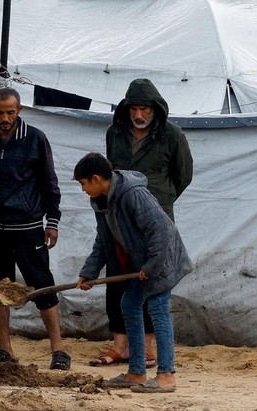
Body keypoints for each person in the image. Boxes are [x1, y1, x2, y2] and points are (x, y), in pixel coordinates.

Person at [0, 86, 70, 371]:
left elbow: (50, 184)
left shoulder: (35, 139)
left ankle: (58, 350)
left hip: (29, 226)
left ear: (20, 110)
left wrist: (52, 223)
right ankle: (4, 349)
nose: (5, 118)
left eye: (10, 112)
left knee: (43, 285)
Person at [89, 78, 193, 368]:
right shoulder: (115, 133)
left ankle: (145, 348)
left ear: (155, 108)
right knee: (117, 278)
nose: (139, 114)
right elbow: (111, 175)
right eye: (134, 108)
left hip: (154, 218)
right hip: (120, 219)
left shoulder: (172, 135)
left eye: (145, 108)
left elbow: (183, 175)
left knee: (149, 279)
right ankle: (120, 346)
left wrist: (159, 200)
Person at [74, 152, 192, 393]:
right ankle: (137, 372)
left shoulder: (133, 193)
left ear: (96, 179)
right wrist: (90, 272)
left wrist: (151, 268)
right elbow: (103, 241)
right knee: (129, 304)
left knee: (158, 309)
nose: (83, 189)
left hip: (160, 259)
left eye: (83, 183)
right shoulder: (101, 201)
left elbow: (160, 231)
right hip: (140, 264)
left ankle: (167, 375)